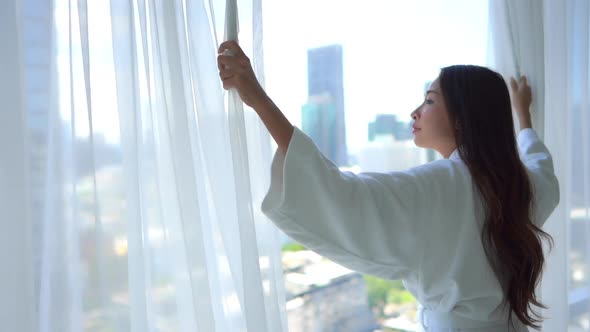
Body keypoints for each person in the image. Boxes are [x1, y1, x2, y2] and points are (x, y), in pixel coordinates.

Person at [217, 40, 559, 332]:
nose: (415, 112)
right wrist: (524, 117)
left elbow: (340, 195)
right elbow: (539, 163)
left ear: (461, 117)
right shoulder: (521, 185)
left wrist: (258, 98)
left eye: (429, 100)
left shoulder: (440, 187)